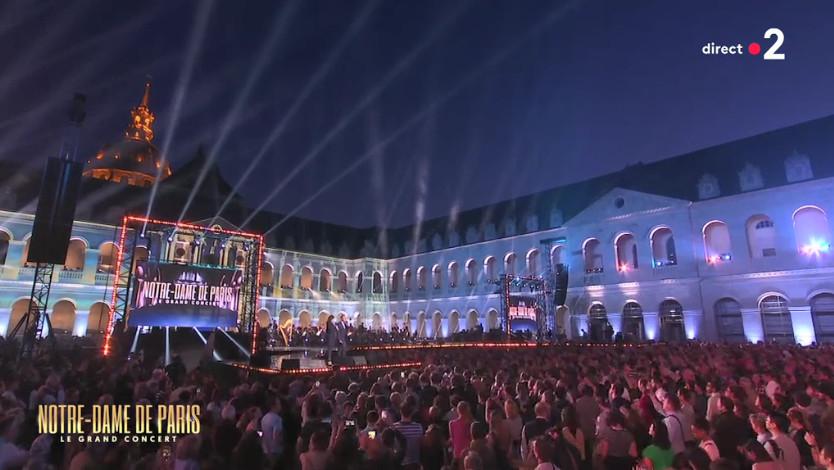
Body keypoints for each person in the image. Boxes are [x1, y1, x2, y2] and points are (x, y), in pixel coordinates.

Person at [392, 402, 424, 470]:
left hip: (399, 464)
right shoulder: (418, 427)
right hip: (415, 463)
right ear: (412, 413)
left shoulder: (394, 427)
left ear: (400, 412)